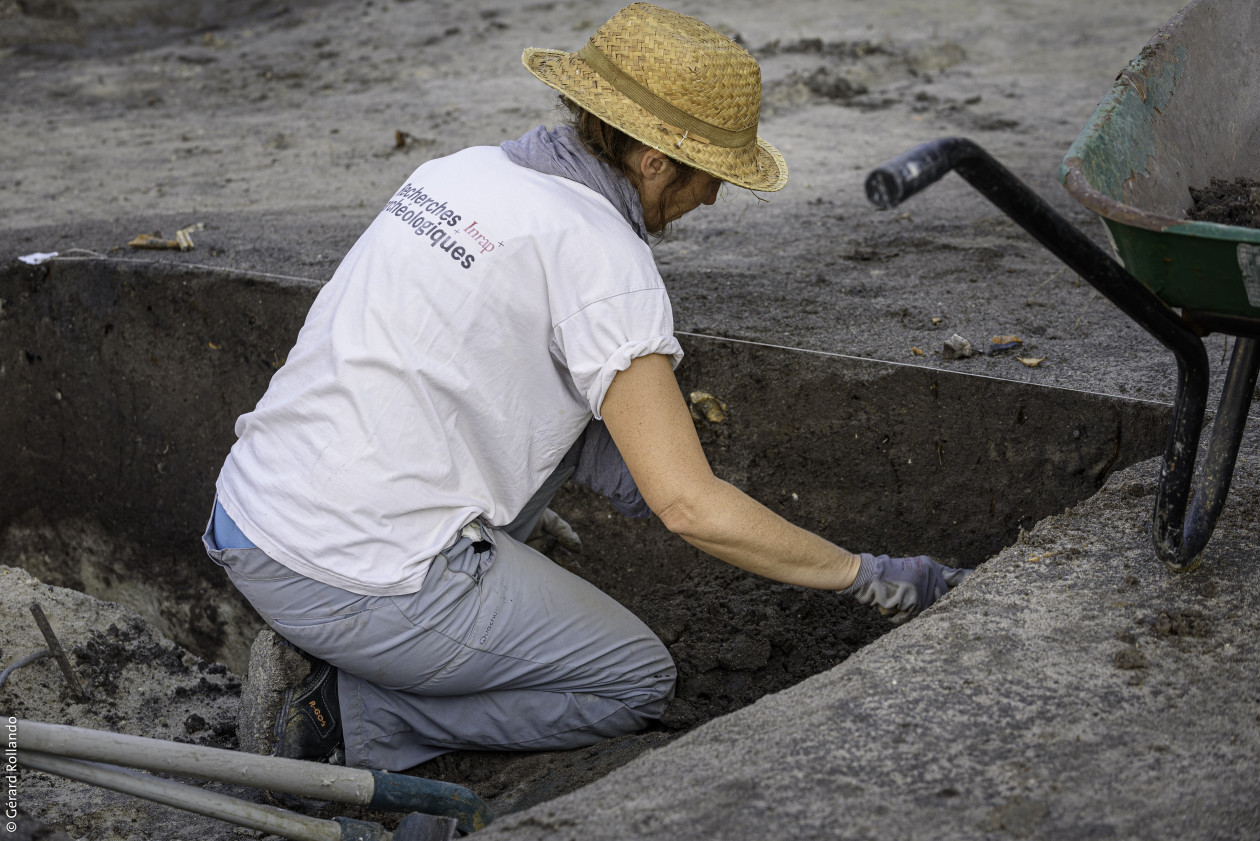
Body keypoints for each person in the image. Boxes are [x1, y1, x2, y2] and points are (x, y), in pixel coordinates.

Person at [202, 2, 969, 772]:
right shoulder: (603, 259)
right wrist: (872, 577)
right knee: (633, 678)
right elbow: (689, 505)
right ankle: (345, 718)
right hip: (348, 573)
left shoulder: (457, 173)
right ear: (656, 163)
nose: (711, 200)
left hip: (251, 515)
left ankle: (372, 651)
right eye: (712, 177)